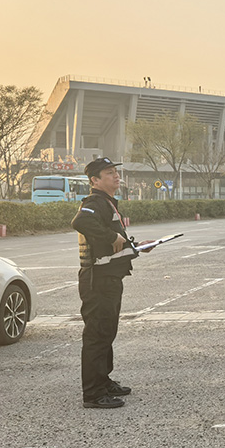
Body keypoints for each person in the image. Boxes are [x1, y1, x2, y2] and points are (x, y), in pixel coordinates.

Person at [71, 158, 154, 409]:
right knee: (97, 335)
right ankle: (93, 394)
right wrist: (110, 235)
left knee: (106, 332)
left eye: (116, 172)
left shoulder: (107, 203)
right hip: (97, 279)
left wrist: (135, 246)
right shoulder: (94, 202)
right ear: (95, 180)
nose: (116, 176)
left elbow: (114, 244)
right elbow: (80, 222)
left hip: (109, 277)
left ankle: (103, 381)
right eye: (109, 173)